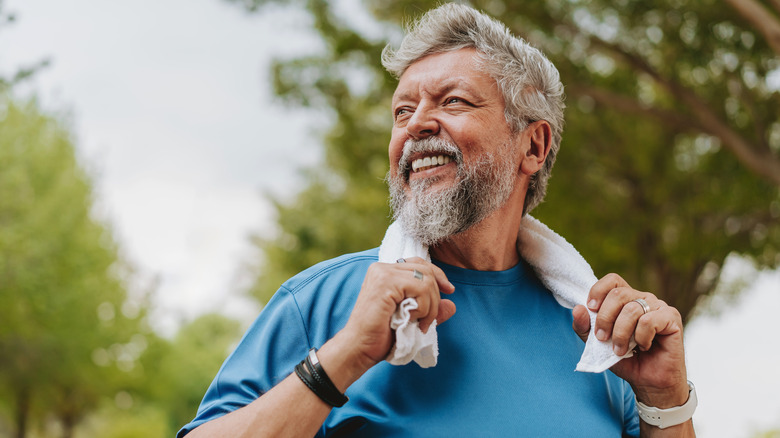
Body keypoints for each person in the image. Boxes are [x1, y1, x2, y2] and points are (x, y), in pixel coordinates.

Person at [179, 4, 695, 437]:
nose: (418, 124)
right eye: (402, 112)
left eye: (453, 101)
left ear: (533, 145)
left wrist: (666, 397)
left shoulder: (599, 336)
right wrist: (345, 355)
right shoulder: (321, 302)